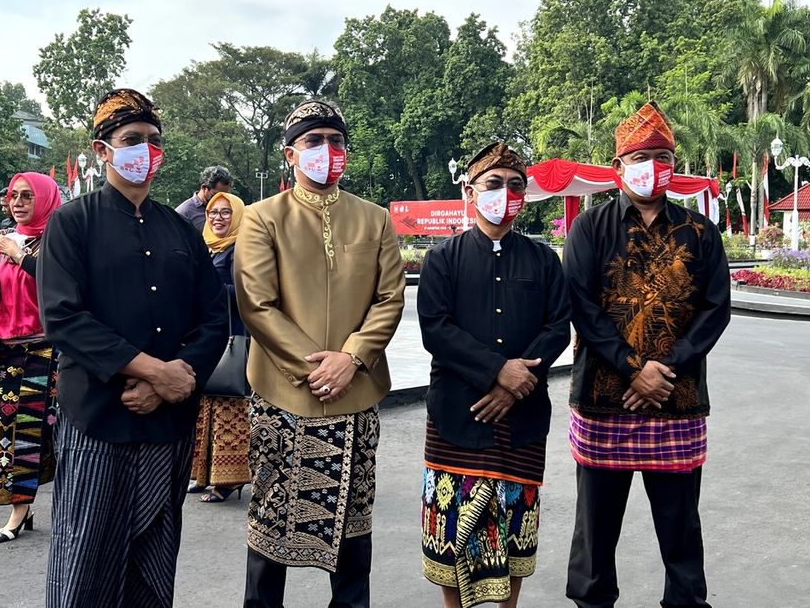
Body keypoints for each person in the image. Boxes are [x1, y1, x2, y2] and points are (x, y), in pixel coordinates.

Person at [39, 88, 228, 607]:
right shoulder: (71, 224)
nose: (144, 150)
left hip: (167, 422)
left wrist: (177, 377)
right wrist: (151, 372)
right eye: (131, 140)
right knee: (86, 559)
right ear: (103, 151)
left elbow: (214, 318)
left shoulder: (180, 231)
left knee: (154, 557)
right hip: (100, 416)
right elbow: (63, 317)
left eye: (152, 140)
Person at [235, 100, 406, 608]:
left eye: (335, 141)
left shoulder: (374, 219)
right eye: (313, 142)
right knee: (270, 532)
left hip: (355, 398)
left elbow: (390, 297)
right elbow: (257, 304)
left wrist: (351, 357)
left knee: (355, 536)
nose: (326, 151)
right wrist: (318, 366)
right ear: (290, 154)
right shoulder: (263, 217)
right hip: (282, 398)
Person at [562, 102, 731, 608]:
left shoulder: (701, 233)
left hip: (675, 399)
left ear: (673, 164)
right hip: (602, 398)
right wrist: (634, 369)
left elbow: (715, 309)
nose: (651, 165)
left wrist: (667, 367)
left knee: (681, 529)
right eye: (640, 155)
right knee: (596, 530)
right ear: (618, 167)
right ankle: (592, 603)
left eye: (661, 155)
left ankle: (685, 602)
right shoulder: (589, 229)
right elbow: (582, 308)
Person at [417, 142, 572, 608]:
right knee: (451, 539)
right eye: (493, 184)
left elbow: (558, 326)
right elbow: (436, 329)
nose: (505, 193)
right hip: (456, 417)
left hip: (521, 420)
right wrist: (497, 372)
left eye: (515, 185)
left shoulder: (544, 260)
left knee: (514, 536)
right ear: (469, 191)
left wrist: (515, 383)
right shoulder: (443, 258)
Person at [0, 172, 61, 544]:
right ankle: (20, 506)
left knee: (44, 427)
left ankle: (68, 502)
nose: (16, 202)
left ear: (45, 199)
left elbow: (59, 283)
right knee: (8, 429)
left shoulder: (57, 240)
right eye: (13, 196)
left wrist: (20, 257)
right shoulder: (3, 242)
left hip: (48, 350)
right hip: (6, 348)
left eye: (26, 196)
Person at [190, 191, 252, 502]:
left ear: (237, 216)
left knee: (229, 407)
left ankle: (229, 480)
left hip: (231, 334)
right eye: (214, 212)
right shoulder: (207, 247)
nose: (218, 218)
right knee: (206, 408)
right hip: (206, 335)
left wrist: (209, 288)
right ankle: (202, 475)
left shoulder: (241, 248)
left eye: (226, 213)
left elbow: (248, 292)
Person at [175, 165, 233, 230]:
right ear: (204, 188)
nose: (220, 199)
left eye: (224, 195)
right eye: (215, 195)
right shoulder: (184, 212)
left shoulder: (229, 208)